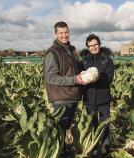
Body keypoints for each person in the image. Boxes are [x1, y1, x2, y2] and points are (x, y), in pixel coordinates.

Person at [43, 21, 87, 153]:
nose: (64, 35)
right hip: (61, 98)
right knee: (59, 128)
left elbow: (74, 70)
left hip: (72, 96)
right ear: (56, 34)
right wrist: (75, 79)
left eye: (66, 32)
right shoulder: (53, 52)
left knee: (64, 128)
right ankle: (55, 152)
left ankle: (62, 150)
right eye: (61, 33)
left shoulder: (72, 50)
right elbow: (51, 77)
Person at [80, 34, 115, 156]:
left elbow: (109, 78)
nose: (93, 47)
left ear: (99, 44)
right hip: (89, 98)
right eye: (90, 46)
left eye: (95, 44)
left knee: (104, 124)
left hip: (103, 97)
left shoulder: (107, 60)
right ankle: (94, 147)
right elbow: (80, 76)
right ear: (87, 47)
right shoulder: (84, 61)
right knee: (92, 124)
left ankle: (105, 148)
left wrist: (96, 77)